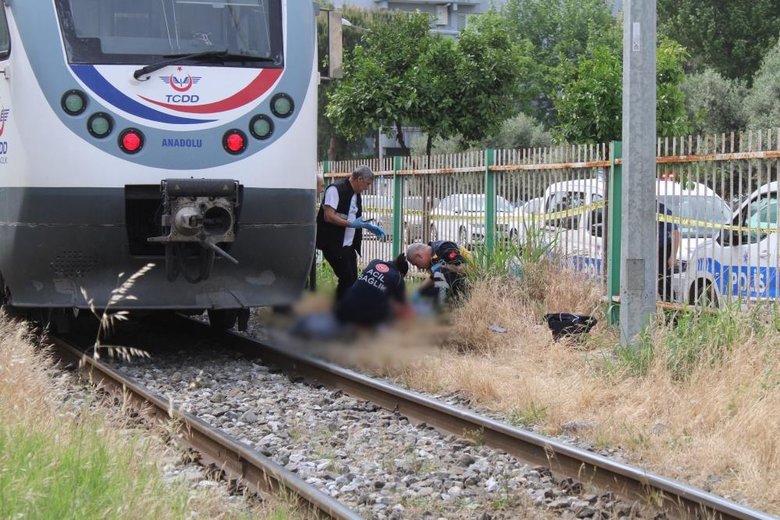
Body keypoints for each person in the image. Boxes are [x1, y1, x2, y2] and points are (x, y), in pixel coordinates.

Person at [316, 165, 385, 301]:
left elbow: (352, 216)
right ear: (359, 179)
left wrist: (367, 225)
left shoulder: (356, 195)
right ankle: (340, 312)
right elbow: (328, 216)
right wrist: (351, 224)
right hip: (333, 244)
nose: (367, 188)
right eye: (367, 184)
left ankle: (345, 310)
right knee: (347, 279)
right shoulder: (336, 190)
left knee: (352, 280)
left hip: (348, 245)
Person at [335, 253, 410, 326]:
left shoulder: (375, 262)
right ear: (401, 274)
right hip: (364, 317)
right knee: (392, 306)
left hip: (344, 304)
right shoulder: (398, 278)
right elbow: (402, 305)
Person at [406, 240, 469, 308]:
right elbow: (433, 278)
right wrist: (418, 291)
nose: (418, 268)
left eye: (416, 264)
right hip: (456, 280)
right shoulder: (432, 258)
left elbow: (466, 268)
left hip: (471, 279)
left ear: (419, 256)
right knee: (426, 291)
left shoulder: (444, 248)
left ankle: (443, 308)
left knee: (442, 274)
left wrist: (445, 266)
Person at [658, 201, 681, 301]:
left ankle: (671, 313)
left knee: (664, 285)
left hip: (662, 250)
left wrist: (673, 256)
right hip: (644, 251)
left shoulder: (662, 210)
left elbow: (676, 233)